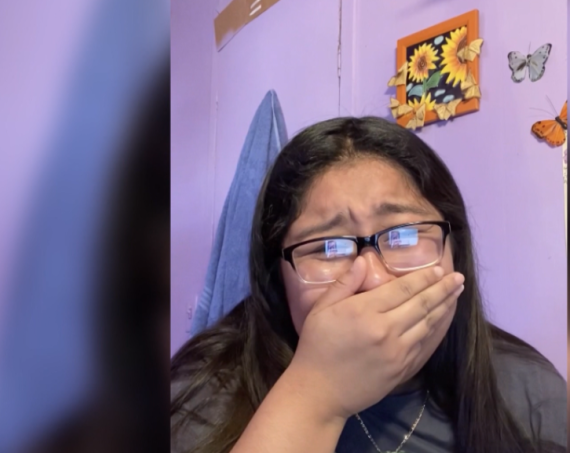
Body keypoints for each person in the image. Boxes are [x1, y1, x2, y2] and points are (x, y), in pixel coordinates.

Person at [170, 116, 566, 453]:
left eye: (404, 235)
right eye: (328, 247)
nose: (373, 279)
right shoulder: (202, 394)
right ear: (277, 277)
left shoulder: (529, 392)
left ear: (454, 251)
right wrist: (316, 395)